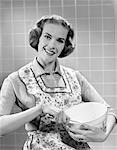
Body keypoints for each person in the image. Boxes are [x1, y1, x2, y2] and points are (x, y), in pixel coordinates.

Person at [0, 15, 116, 150]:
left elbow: (110, 111)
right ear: (38, 37)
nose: (52, 45)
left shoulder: (75, 77)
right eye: (47, 37)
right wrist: (39, 109)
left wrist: (104, 134)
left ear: (65, 46)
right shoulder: (16, 79)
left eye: (60, 40)